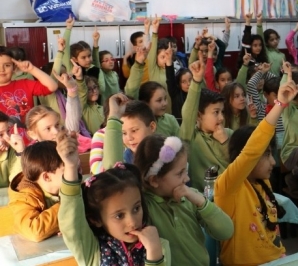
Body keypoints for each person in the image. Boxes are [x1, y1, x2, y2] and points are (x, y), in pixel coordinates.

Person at [214, 70, 297, 265]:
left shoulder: (263, 182)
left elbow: (272, 235)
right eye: (266, 155)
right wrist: (280, 104)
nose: (273, 162)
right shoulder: (228, 186)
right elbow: (252, 150)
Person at [57, 132, 171, 266]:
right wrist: (71, 167)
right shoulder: (93, 251)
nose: (132, 222)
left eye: (136, 208)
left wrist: (154, 253)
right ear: (96, 220)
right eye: (119, 216)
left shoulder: (157, 245)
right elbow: (71, 223)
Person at [134, 134, 234, 265]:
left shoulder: (189, 198)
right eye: (180, 173)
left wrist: (201, 202)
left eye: (186, 170)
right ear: (154, 180)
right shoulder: (144, 208)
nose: (187, 178)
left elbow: (226, 231)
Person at [178, 59, 235, 190]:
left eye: (222, 112)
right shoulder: (191, 137)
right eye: (216, 112)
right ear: (199, 115)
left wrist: (224, 142)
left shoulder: (229, 134)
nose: (221, 118)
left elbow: (238, 166)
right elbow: (188, 113)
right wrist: (196, 81)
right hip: (202, 198)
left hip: (230, 194)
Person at [8, 141, 63, 242]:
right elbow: (34, 230)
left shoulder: (70, 185)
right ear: (46, 177)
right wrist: (70, 203)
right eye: (68, 168)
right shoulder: (25, 196)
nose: (75, 171)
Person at [90, 94, 157, 174]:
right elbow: (111, 171)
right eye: (123, 133)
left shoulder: (165, 150)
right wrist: (114, 116)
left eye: (134, 130)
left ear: (152, 127)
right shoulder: (125, 159)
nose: (129, 138)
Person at [0, 46, 57, 122]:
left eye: (7, 65)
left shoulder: (24, 84)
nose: (2, 69)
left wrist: (32, 69)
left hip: (28, 129)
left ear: (14, 67)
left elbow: (52, 87)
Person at [91, 27, 120, 101]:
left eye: (112, 59)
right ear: (100, 64)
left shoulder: (115, 74)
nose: (111, 62)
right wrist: (95, 42)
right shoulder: (101, 74)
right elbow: (95, 60)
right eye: (106, 60)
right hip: (106, 105)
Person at [0, 117, 23, 187]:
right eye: (1, 135)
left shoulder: (13, 149)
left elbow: (16, 181)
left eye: (8, 131)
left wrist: (20, 151)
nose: (8, 137)